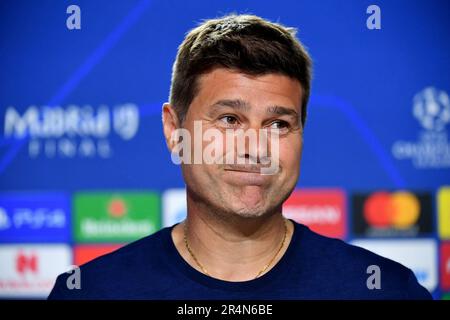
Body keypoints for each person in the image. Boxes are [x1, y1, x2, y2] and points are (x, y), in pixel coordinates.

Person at [48, 14, 431, 300]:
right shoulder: (91, 292)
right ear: (173, 130)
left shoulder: (386, 290)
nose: (256, 148)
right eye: (230, 119)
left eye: (279, 124)